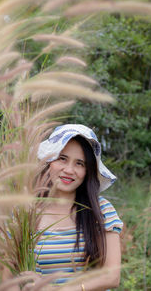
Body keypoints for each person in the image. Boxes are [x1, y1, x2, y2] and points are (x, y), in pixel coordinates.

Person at [35, 124, 123, 291]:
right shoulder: (26, 214)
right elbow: (11, 279)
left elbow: (112, 277)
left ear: (87, 171)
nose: (69, 170)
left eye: (80, 163)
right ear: (48, 160)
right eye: (62, 158)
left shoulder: (102, 210)